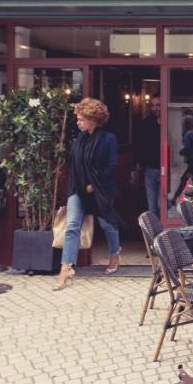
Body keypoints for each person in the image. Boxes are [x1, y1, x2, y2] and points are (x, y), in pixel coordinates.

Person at [55, 98, 125, 289]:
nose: (78, 122)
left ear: (93, 119)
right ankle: (66, 268)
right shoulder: (79, 139)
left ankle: (114, 254)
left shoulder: (108, 139)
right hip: (78, 188)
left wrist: (93, 185)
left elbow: (111, 167)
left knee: (107, 224)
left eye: (81, 119)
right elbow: (75, 166)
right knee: (72, 226)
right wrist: (78, 187)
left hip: (100, 190)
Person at [131, 96, 163, 218]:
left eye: (158, 105)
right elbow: (139, 145)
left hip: (167, 169)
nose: (155, 108)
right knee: (152, 205)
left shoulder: (168, 122)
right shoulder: (146, 123)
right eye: (153, 105)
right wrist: (138, 164)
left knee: (164, 204)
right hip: (150, 168)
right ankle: (155, 234)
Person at [170, 114, 193, 206]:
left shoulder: (188, 134)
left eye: (183, 123)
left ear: (187, 124)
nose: (182, 124)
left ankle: (174, 198)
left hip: (192, 161)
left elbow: (186, 148)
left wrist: (181, 151)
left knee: (184, 179)